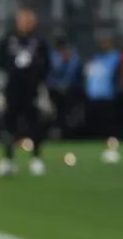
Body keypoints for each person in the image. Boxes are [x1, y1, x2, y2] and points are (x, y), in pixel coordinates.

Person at [0, 6, 51, 177]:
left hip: (32, 89)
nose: (25, 22)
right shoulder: (8, 39)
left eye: (29, 19)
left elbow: (47, 63)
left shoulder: (39, 41)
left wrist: (37, 77)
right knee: (9, 123)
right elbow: (0, 61)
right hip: (12, 88)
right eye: (22, 18)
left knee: (34, 123)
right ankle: (8, 160)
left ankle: (36, 159)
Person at [83, 29, 123, 163]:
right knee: (96, 127)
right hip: (94, 98)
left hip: (109, 97)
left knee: (110, 126)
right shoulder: (95, 58)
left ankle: (111, 149)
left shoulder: (116, 57)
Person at [47, 34, 82, 139]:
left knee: (69, 114)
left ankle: (69, 134)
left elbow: (74, 72)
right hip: (54, 90)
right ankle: (57, 133)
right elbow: (50, 72)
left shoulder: (72, 56)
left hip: (69, 90)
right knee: (56, 113)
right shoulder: (52, 56)